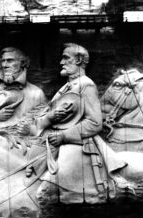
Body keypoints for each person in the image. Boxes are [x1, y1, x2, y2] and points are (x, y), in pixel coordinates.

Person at [19, 43, 131, 196]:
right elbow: (48, 115)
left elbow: (95, 123)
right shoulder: (66, 87)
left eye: (66, 58)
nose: (61, 63)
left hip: (75, 142)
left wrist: (63, 136)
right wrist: (50, 118)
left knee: (48, 189)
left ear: (78, 60)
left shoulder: (86, 85)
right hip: (51, 140)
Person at [0, 47, 47, 126]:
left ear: (22, 63)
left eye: (10, 61)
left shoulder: (36, 94)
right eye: (3, 61)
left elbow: (43, 123)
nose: (4, 65)